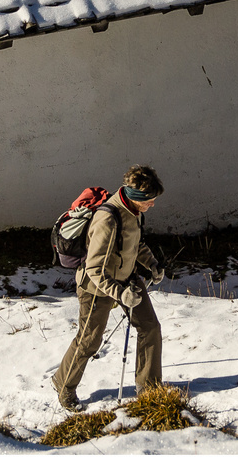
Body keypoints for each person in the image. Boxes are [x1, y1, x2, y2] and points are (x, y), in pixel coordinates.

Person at [54, 165, 166, 410]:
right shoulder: (108, 219)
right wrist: (121, 294)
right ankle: (64, 387)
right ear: (136, 197)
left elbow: (136, 244)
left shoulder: (135, 211)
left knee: (150, 327)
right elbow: (94, 269)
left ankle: (149, 389)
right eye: (150, 200)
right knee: (89, 341)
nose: (153, 204)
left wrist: (152, 264)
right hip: (96, 288)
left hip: (127, 278)